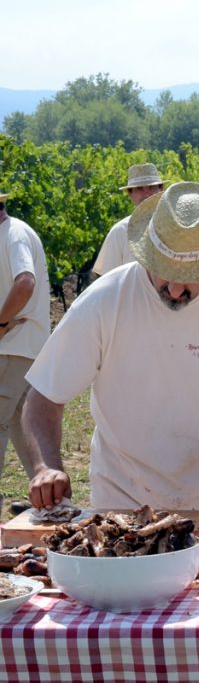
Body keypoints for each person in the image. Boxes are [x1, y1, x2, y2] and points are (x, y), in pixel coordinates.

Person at [25, 182, 199, 528]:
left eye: (191, 279)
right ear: (148, 255)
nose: (176, 289)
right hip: (121, 506)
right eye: (166, 275)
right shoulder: (104, 301)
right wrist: (46, 465)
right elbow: (45, 395)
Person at [0, 191, 50, 511]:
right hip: (22, 346)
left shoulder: (14, 232)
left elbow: (26, 282)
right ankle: (54, 502)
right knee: (25, 427)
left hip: (14, 346)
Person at [92, 163, 166, 276]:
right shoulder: (120, 232)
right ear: (130, 193)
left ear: (161, 190)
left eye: (151, 187)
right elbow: (109, 278)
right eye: (140, 189)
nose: (147, 194)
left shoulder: (177, 226)